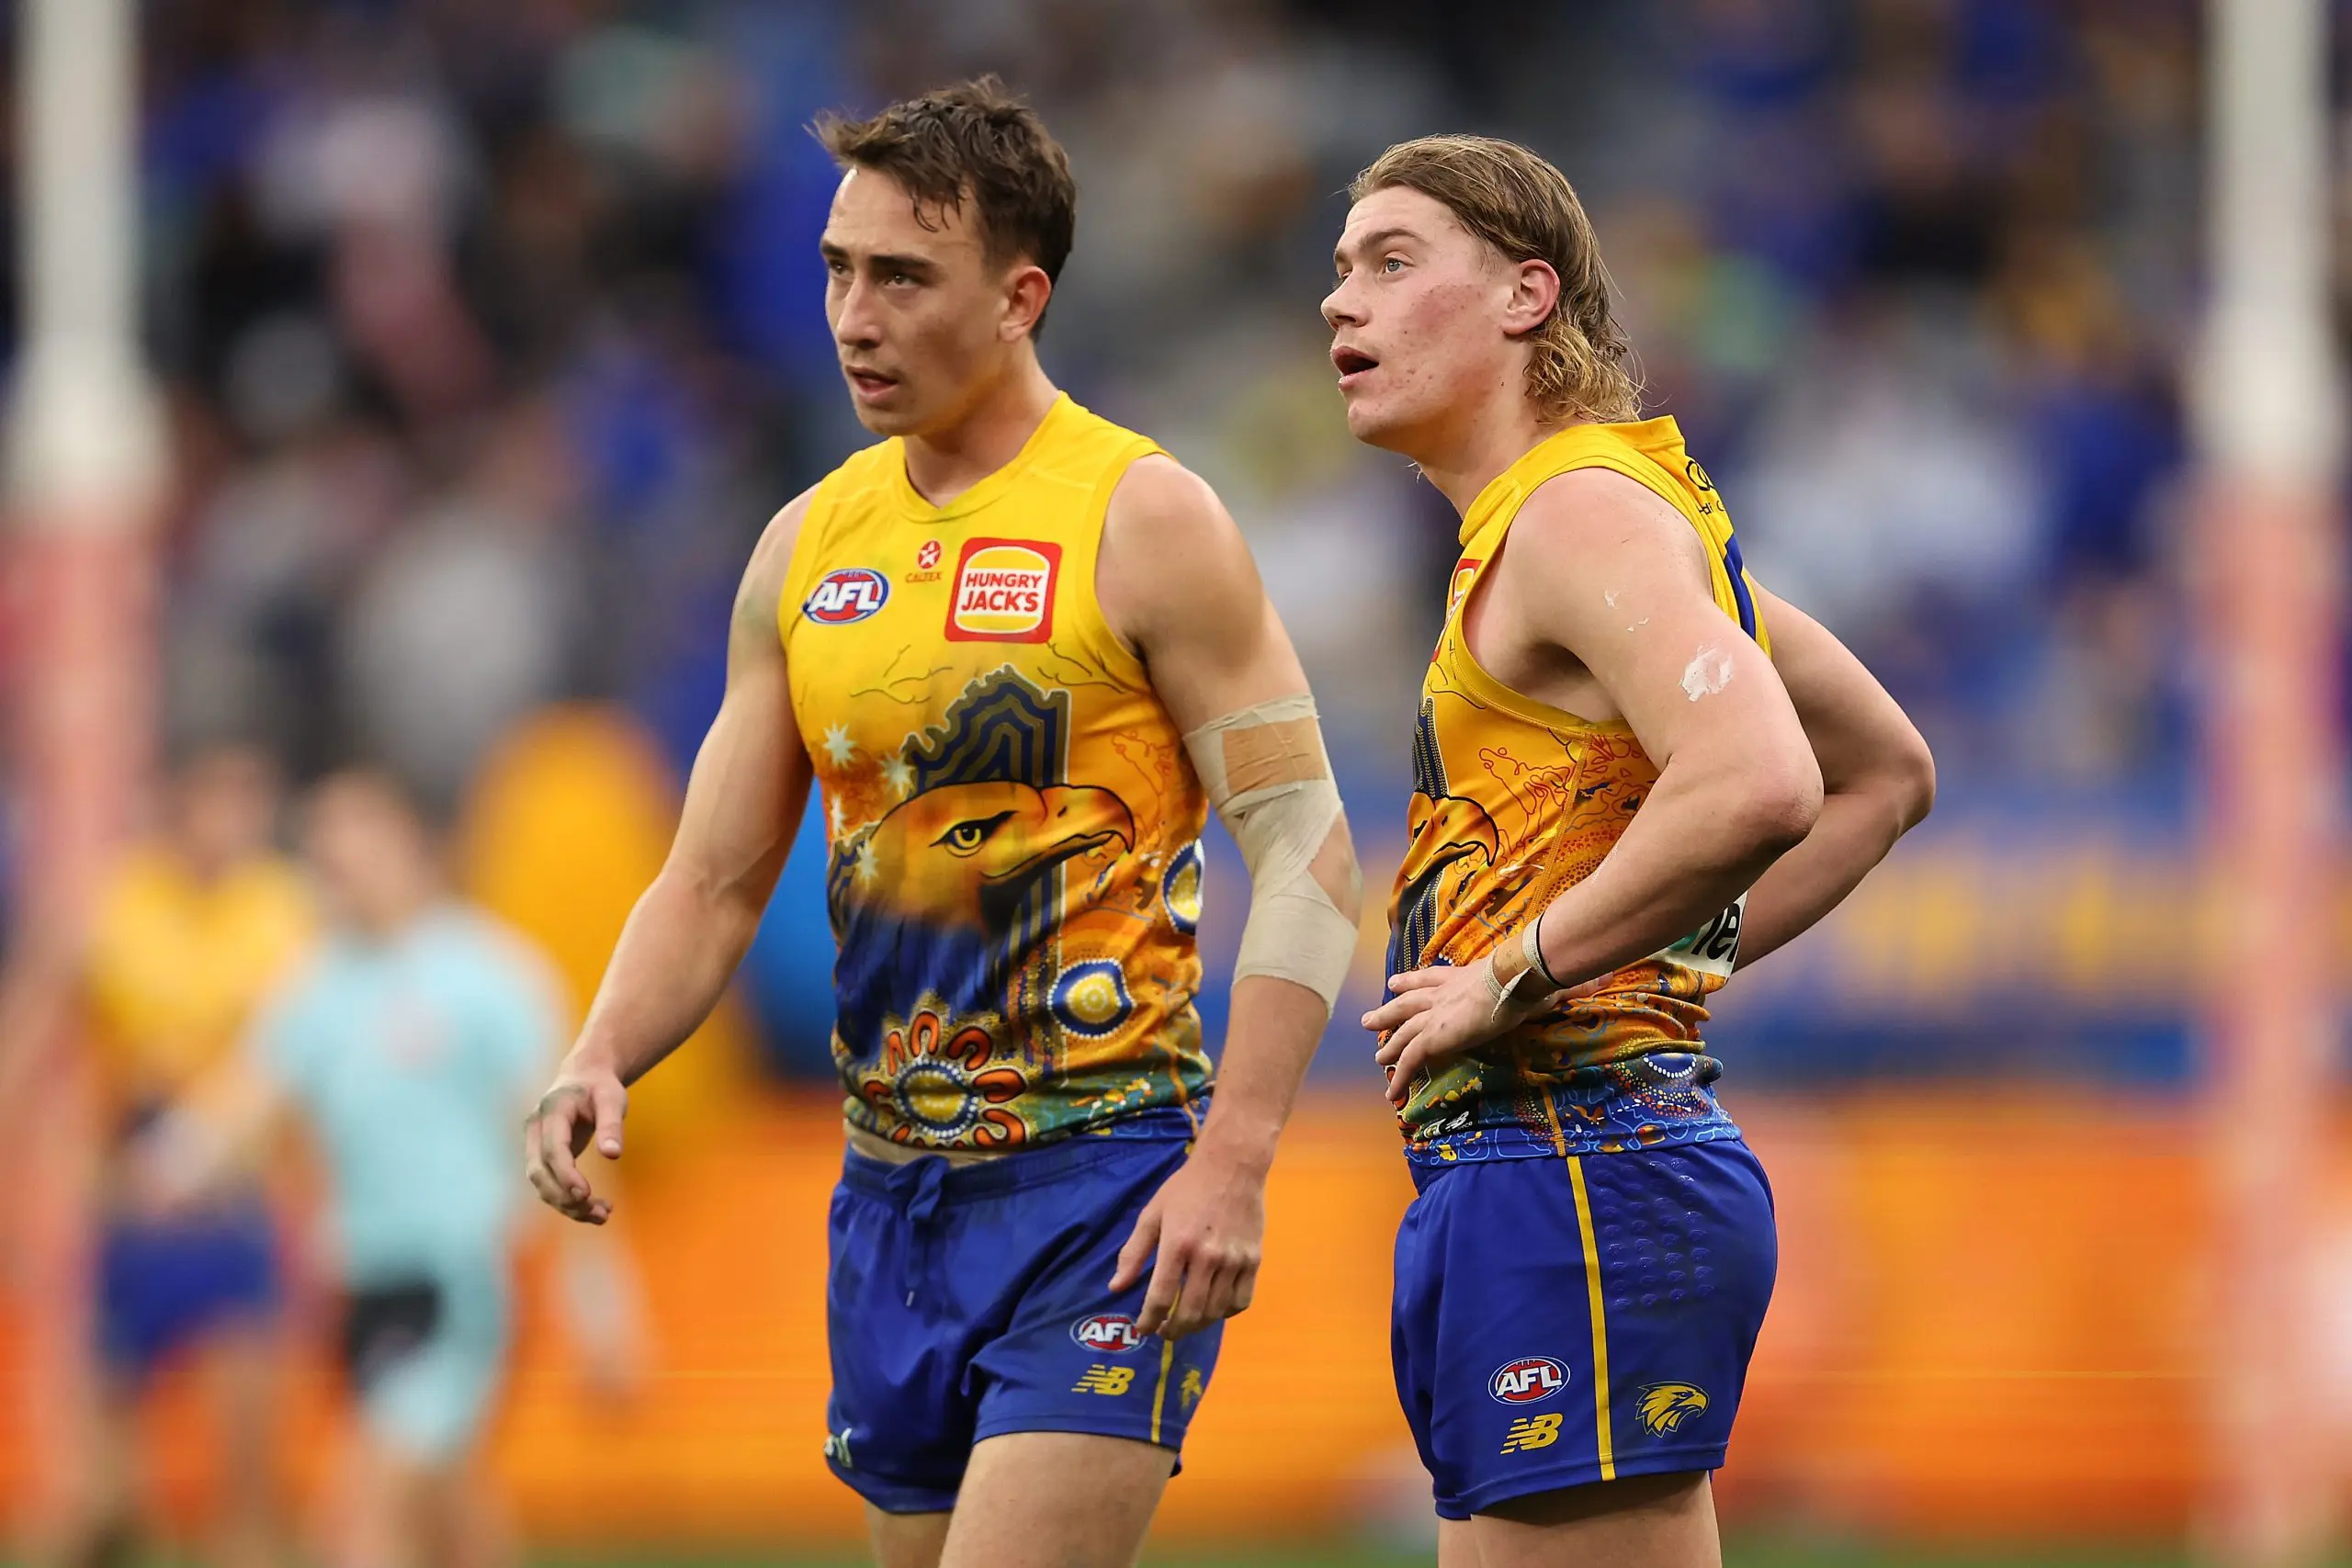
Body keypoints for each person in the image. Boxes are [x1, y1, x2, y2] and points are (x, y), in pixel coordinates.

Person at [522, 76, 1362, 1568]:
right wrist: (601, 1049)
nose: (854, 314)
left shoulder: (1144, 519)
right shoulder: (803, 547)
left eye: (903, 277)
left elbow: (1308, 847)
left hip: (1104, 1183)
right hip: (889, 1200)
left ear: (1021, 296)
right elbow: (713, 880)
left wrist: (1234, 1154)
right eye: (840, 270)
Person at [1331, 136, 1937, 1567]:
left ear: (1528, 295)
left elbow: (1770, 778)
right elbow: (1887, 771)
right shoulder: (1619, 523)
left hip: (1577, 1153)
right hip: (1553, 1159)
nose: (1339, 302)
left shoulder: (1579, 511)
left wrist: (1523, 971)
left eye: (1393, 261)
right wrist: (1650, 953)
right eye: (1341, 269)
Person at [151, 768, 639, 1568]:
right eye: (324, 842)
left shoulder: (491, 973)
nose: (336, 856)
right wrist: (164, 1168)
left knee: (361, 1521)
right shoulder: (315, 985)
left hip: (459, 1285)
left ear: (414, 842)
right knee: (452, 1522)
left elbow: (564, 1140)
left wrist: (605, 1305)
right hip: (360, 1292)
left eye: (357, 832)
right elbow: (243, 1106)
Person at [0, 742, 312, 1568]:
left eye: (252, 804)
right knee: (101, 1501)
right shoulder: (115, 905)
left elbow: (309, 1068)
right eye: (221, 801)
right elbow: (26, 1046)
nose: (237, 824)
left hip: (231, 1213)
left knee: (247, 1491)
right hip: (131, 1218)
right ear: (178, 804)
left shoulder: (284, 911)